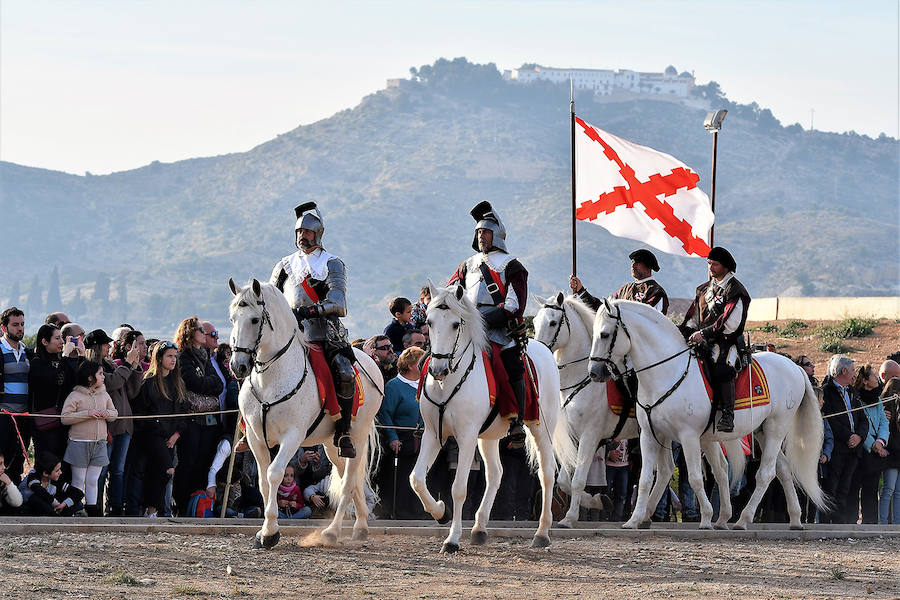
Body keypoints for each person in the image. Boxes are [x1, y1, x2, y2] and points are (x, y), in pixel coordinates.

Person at [270, 202, 358, 458]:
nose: (303, 237)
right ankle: (249, 424)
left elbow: (339, 304)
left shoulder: (332, 264)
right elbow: (274, 297)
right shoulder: (284, 265)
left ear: (318, 234)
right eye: (299, 233)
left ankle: (343, 431)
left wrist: (311, 311)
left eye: (307, 233)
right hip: (288, 332)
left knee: (344, 371)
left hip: (323, 332)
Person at [448, 201, 528, 444]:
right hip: (465, 327)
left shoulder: (512, 265)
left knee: (508, 364)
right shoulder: (467, 264)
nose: (481, 236)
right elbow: (452, 291)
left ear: (498, 235)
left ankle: (517, 420)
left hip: (497, 329)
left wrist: (481, 319)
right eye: (479, 232)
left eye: (486, 232)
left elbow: (514, 304)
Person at [678, 247, 751, 433]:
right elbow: (693, 317)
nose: (711, 267)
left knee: (722, 365)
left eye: (715, 264)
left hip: (726, 341)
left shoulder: (736, 290)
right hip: (702, 339)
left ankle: (728, 415)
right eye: (709, 263)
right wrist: (683, 331)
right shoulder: (703, 289)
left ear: (726, 266)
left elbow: (729, 322)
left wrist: (704, 334)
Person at [84, 328, 143, 516]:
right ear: (96, 347)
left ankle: (115, 508)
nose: (109, 346)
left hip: (124, 424)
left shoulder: (110, 364)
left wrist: (134, 366)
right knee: (101, 470)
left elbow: (132, 391)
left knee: (118, 470)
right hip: (106, 427)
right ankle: (95, 507)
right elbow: (113, 383)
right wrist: (127, 363)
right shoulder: (90, 367)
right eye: (105, 344)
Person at [174, 316, 224, 514]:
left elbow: (218, 385)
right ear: (190, 333)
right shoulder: (183, 356)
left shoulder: (204, 354)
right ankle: (182, 504)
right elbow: (192, 382)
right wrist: (207, 385)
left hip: (209, 421)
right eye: (201, 330)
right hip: (192, 421)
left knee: (204, 462)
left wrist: (206, 386)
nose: (204, 334)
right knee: (188, 463)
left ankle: (197, 506)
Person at [132, 341, 186, 518]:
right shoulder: (149, 383)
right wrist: (162, 434)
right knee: (167, 470)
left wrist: (176, 434)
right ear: (160, 358)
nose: (173, 360)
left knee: (159, 472)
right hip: (152, 435)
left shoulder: (177, 383)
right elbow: (142, 414)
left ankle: (154, 510)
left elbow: (182, 413)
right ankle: (151, 510)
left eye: (175, 357)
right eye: (169, 356)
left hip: (172, 436)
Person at [60, 360, 118, 516]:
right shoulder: (75, 395)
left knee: (93, 479)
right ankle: (75, 509)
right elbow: (65, 418)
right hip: (79, 443)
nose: (104, 376)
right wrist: (87, 414)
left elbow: (114, 413)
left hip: (99, 443)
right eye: (100, 374)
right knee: (78, 480)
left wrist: (107, 414)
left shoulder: (104, 394)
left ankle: (92, 511)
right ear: (90, 378)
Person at [376, 346, 426, 519]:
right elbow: (385, 414)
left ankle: (420, 512)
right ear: (411, 365)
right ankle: (402, 513)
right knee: (403, 478)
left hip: (424, 439)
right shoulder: (394, 386)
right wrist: (393, 438)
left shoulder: (426, 385)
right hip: (403, 440)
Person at [821, 355, 868, 523]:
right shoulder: (827, 391)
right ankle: (827, 524)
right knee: (831, 487)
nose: (854, 374)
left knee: (845, 489)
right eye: (853, 370)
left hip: (854, 450)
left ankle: (840, 523)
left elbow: (863, 418)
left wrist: (859, 436)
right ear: (844, 371)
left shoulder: (853, 392)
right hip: (837, 450)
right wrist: (849, 436)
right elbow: (831, 420)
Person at [28, 324, 79, 461]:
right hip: (45, 423)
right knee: (48, 463)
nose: (62, 342)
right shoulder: (36, 363)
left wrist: (79, 357)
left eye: (61, 338)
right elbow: (56, 380)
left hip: (63, 420)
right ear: (45, 342)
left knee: (63, 464)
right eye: (57, 338)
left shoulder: (61, 361)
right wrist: (66, 356)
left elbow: (75, 383)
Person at [570, 248, 669, 314]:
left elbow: (654, 322)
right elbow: (603, 309)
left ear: (649, 266)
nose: (633, 265)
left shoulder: (656, 292)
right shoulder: (624, 289)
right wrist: (581, 290)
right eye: (632, 262)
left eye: (637, 262)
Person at [848, 365, 889, 523]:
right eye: (873, 376)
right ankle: (850, 522)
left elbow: (884, 423)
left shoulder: (877, 399)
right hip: (860, 450)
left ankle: (870, 523)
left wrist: (880, 441)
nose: (876, 378)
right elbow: (860, 423)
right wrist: (872, 444)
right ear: (865, 380)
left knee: (872, 490)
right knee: (854, 487)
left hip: (875, 451)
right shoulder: (856, 398)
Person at [0, 307, 33, 484]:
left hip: (24, 416)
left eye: (22, 324)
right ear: (4, 328)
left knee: (18, 461)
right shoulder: (0, 349)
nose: (20, 328)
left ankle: (13, 503)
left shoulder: (28, 352)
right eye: (15, 325)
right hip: (3, 416)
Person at [20, 451, 84, 516]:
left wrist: (63, 504)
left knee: (78, 504)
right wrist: (55, 503)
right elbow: (40, 491)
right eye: (57, 471)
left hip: (51, 508)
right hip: (30, 508)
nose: (60, 472)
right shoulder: (33, 477)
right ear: (45, 473)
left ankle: (60, 516)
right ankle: (57, 517)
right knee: (35, 498)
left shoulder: (54, 480)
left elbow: (79, 493)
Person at [878, 377, 900, 524]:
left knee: (898, 492)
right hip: (891, 455)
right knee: (889, 489)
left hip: (898, 454)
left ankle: (897, 522)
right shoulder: (885, 409)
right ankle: (883, 522)